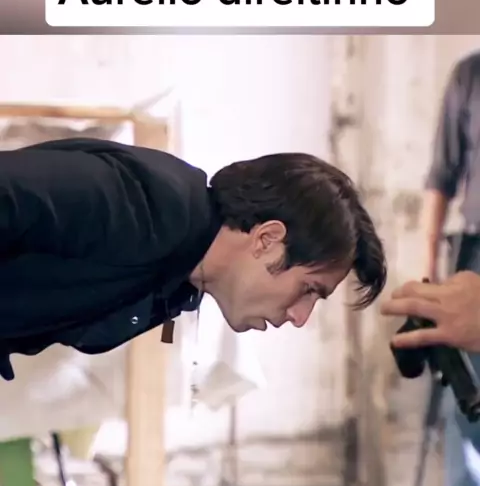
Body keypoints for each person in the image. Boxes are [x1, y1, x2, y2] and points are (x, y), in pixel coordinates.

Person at [0, 136, 387, 382]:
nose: (300, 317)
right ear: (267, 239)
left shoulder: (177, 280)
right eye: (309, 289)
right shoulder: (140, 201)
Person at [382, 50, 480, 486]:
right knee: (465, 404)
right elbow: (442, 176)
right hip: (475, 256)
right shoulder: (470, 75)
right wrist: (428, 273)